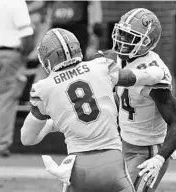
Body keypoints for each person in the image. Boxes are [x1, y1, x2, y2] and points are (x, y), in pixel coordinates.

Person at [20, 28, 164, 192]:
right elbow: (142, 77)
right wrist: (156, 72)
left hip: (79, 166)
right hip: (113, 162)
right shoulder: (101, 67)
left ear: (46, 59)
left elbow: (27, 138)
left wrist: (52, 125)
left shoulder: (42, 89)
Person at [110, 8, 176, 191]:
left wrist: (159, 158)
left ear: (146, 43)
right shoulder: (121, 58)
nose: (122, 41)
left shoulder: (154, 74)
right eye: (122, 33)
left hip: (147, 151)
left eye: (130, 37)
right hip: (124, 144)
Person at [0, 0, 34, 157]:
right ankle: (0, 144)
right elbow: (26, 37)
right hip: (9, 54)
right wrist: (23, 56)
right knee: (5, 99)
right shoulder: (16, 2)